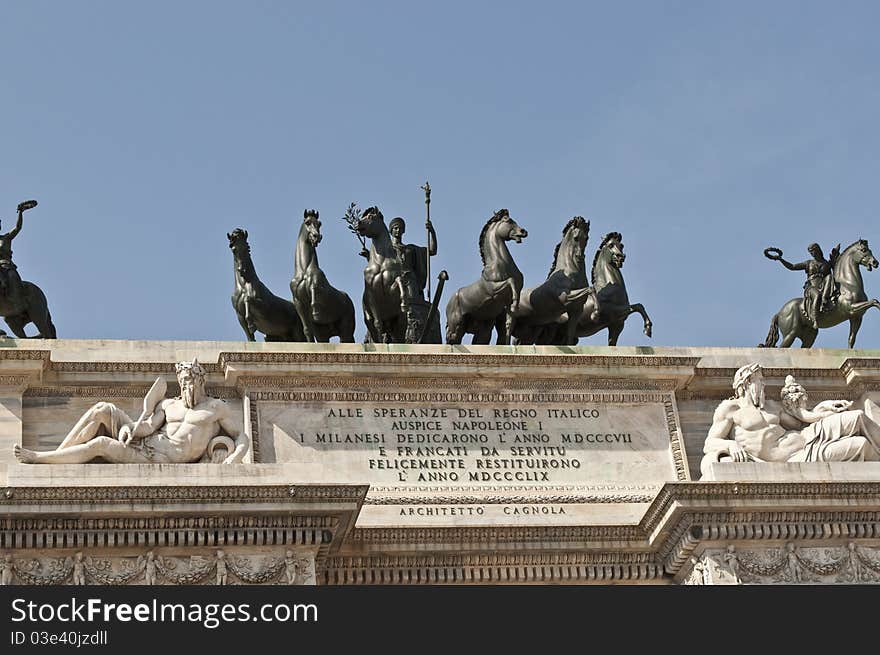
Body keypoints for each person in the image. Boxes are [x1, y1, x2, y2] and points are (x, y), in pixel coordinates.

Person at [13, 359, 247, 464]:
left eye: (190, 382)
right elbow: (148, 426)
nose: (186, 386)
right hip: (145, 443)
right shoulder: (168, 404)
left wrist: (235, 457)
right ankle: (60, 456)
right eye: (183, 382)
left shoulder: (216, 408)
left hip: (155, 459)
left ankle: (40, 458)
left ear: (200, 381)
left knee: (101, 444)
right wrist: (130, 428)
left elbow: (241, 437)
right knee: (102, 409)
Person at [701, 363, 880, 477]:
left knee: (857, 417)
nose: (763, 385)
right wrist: (730, 445)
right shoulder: (730, 409)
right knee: (861, 445)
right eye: (759, 381)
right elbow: (710, 442)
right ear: (745, 383)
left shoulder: (771, 406)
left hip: (808, 437)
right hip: (798, 458)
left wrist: (825, 408)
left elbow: (802, 420)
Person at [771, 243, 836, 329]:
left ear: (818, 250)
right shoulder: (809, 263)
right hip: (811, 287)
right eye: (811, 252)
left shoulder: (826, 264)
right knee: (817, 295)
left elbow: (833, 276)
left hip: (823, 287)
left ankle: (824, 300)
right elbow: (792, 266)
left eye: (813, 251)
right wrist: (781, 259)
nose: (812, 254)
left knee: (829, 277)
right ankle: (815, 319)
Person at [0, 202, 28, 308]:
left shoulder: (6, 238)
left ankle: (15, 298)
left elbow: (17, 228)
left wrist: (20, 212)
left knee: (12, 276)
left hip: (5, 264)